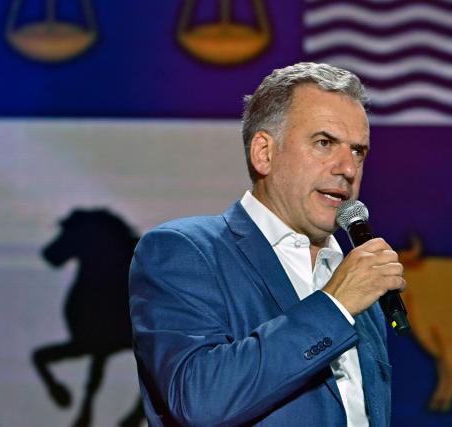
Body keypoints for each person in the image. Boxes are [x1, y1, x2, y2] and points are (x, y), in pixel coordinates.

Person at [129, 62, 406, 426]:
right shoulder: (185, 252)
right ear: (264, 153)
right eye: (325, 143)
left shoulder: (353, 278)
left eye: (358, 151)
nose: (348, 169)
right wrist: (335, 306)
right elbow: (199, 400)